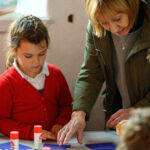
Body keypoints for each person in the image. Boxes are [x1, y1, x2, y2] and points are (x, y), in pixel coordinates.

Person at [57, 0, 150, 145]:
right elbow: (91, 73)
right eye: (104, 23)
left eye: (117, 19)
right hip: (118, 122)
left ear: (132, 4)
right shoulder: (96, 28)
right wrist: (78, 113)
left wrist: (137, 111)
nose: (113, 28)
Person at [0, 15, 73, 140]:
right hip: (22, 143)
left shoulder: (56, 74)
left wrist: (60, 123)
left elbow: (66, 106)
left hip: (53, 143)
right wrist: (31, 133)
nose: (36, 62)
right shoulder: (6, 83)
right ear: (14, 50)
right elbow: (2, 121)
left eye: (42, 54)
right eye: (28, 56)